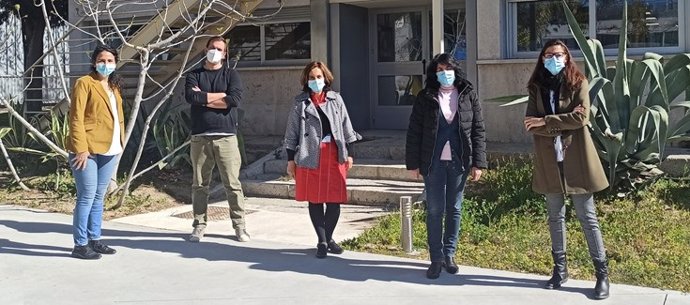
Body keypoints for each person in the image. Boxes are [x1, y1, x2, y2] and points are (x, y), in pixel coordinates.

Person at [523, 39, 610, 299]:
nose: (553, 59)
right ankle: (560, 270)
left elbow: (582, 118)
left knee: (587, 216)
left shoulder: (578, 82)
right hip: (550, 160)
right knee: (554, 216)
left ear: (567, 57)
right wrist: (560, 121)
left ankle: (602, 274)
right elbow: (529, 123)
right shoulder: (536, 87)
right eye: (548, 55)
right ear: (541, 58)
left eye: (558, 54)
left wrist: (546, 120)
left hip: (577, 158)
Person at [405, 53, 487, 279]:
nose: (445, 73)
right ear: (434, 73)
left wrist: (478, 162)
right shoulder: (425, 97)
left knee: (455, 208)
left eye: (448, 69)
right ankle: (436, 258)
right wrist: (412, 163)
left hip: (459, 161)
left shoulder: (468, 94)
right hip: (432, 162)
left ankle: (450, 254)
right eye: (440, 70)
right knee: (434, 210)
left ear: (456, 70)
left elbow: (478, 130)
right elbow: (414, 132)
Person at [284, 61, 360, 258]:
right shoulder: (300, 102)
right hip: (310, 155)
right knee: (315, 199)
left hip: (334, 154)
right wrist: (290, 159)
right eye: (312, 77)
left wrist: (350, 153)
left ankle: (329, 237)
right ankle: (322, 241)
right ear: (306, 80)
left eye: (319, 77)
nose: (316, 81)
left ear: (325, 78)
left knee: (334, 200)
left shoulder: (336, 100)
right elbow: (292, 133)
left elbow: (346, 126)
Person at [184, 36, 249, 242]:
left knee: (232, 184)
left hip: (226, 137)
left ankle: (240, 226)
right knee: (200, 185)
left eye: (220, 49)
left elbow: (234, 100)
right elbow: (191, 97)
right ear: (206, 49)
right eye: (212, 47)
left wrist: (204, 99)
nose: (215, 51)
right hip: (200, 137)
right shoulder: (194, 74)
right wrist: (219, 97)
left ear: (225, 53)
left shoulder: (232, 74)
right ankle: (199, 225)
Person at [66, 44, 124, 259]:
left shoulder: (114, 86)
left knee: (99, 196)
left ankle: (94, 239)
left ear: (115, 63)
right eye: (102, 60)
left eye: (110, 61)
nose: (105, 64)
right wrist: (80, 149)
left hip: (110, 147)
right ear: (94, 62)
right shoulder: (84, 83)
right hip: (87, 149)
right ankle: (80, 244)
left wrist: (120, 141)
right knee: (87, 196)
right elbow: (76, 118)